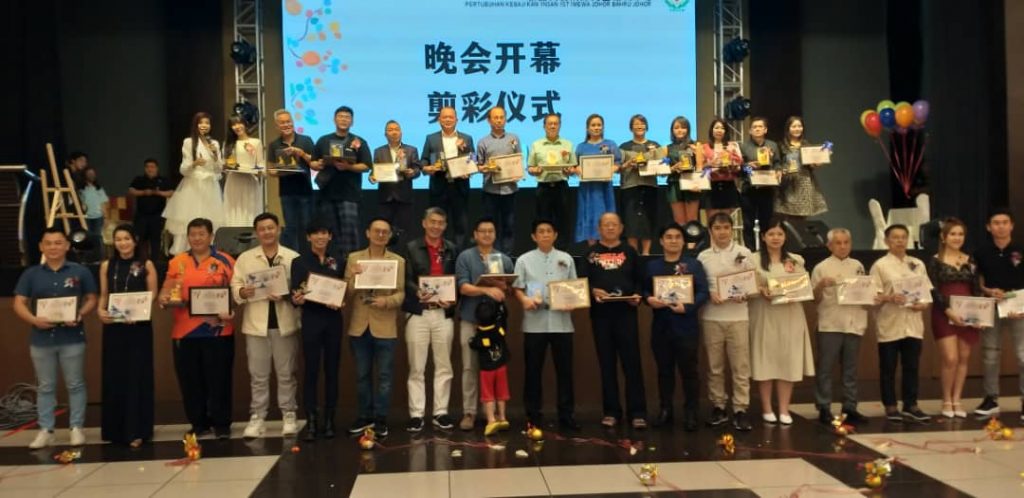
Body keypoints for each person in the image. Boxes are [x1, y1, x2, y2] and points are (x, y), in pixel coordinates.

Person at [13, 227, 98, 449]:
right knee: (45, 386)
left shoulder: (80, 272)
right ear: (41, 246)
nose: (53, 247)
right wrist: (34, 320)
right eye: (48, 243)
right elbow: (19, 303)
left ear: (67, 246)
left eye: (58, 242)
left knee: (75, 384)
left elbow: (92, 298)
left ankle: (76, 428)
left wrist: (80, 314)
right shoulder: (31, 274)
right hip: (41, 340)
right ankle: (46, 430)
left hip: (72, 337)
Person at [158, 218, 236, 439]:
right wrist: (164, 299)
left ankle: (221, 424)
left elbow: (236, 291)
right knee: (190, 381)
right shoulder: (177, 262)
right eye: (193, 234)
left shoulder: (225, 260)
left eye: (202, 234)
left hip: (218, 330)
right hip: (185, 332)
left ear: (211, 236)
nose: (197, 238)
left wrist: (231, 308)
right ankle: (198, 423)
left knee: (219, 379)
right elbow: (166, 291)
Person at [231, 213, 301, 438]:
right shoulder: (246, 258)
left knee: (286, 373)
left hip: (285, 323)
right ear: (256, 233)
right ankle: (257, 416)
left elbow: (301, 288)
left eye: (271, 228)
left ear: (278, 229)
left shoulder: (292, 257)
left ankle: (288, 414)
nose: (267, 232)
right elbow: (236, 285)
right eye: (262, 229)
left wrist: (288, 294)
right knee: (258, 375)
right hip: (256, 325)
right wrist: (243, 292)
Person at [579, 213, 647, 429]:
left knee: (632, 363)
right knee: (606, 364)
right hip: (601, 316)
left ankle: (637, 412)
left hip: (626, 314)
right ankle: (611, 411)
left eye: (614, 224)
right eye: (606, 225)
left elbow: (641, 280)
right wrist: (592, 291)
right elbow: (580, 283)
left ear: (621, 228)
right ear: (599, 228)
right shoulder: (590, 254)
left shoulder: (630, 251)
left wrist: (637, 295)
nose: (610, 228)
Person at [514, 219, 580, 430]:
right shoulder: (524, 260)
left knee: (565, 372)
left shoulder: (566, 259)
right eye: (540, 231)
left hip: (562, 324)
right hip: (534, 324)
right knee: (533, 372)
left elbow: (574, 288)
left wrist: (572, 302)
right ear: (534, 236)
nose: (545, 235)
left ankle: (566, 416)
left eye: (549, 231)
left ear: (555, 235)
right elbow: (518, 288)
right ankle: (533, 416)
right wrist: (524, 300)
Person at [643, 223, 709, 431]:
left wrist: (687, 307)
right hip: (661, 328)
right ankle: (665, 410)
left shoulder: (693, 265)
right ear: (661, 241)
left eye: (677, 237)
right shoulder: (652, 266)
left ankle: (691, 412)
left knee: (690, 372)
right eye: (669, 237)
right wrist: (648, 299)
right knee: (664, 372)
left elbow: (703, 292)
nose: (673, 240)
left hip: (686, 327)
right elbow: (644, 290)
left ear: (683, 241)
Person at [749, 218, 815, 425]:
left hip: (790, 315)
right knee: (766, 360)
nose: (775, 238)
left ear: (785, 237)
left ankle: (785, 409)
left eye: (779, 234)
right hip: (764, 314)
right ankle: (767, 408)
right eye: (771, 234)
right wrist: (761, 290)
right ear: (763, 237)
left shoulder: (796, 260)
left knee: (788, 360)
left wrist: (796, 292)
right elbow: (746, 286)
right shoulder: (752, 259)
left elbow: (804, 286)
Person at [97, 224, 157, 447]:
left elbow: (152, 294)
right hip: (114, 327)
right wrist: (100, 311)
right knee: (115, 375)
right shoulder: (107, 265)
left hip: (138, 327)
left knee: (137, 375)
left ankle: (138, 430)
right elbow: (104, 294)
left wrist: (137, 312)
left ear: (135, 240)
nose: (122, 243)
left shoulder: (146, 264)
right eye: (118, 239)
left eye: (126, 238)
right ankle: (115, 430)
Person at [345, 217, 406, 437]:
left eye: (385, 232)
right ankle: (364, 416)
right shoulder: (354, 258)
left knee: (384, 377)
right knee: (362, 375)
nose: (380, 235)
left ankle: (381, 418)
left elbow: (401, 293)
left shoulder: (397, 261)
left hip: (385, 326)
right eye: (377, 231)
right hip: (359, 325)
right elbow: (346, 292)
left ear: (389, 236)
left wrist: (386, 301)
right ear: (367, 233)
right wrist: (353, 277)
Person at [402, 207, 458, 432]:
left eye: (440, 223)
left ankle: (440, 412)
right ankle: (416, 414)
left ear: (445, 226)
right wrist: (417, 291)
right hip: (418, 312)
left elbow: (456, 279)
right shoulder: (411, 247)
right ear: (424, 223)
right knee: (417, 366)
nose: (436, 226)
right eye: (432, 221)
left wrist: (451, 299)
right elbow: (404, 279)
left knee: (444, 365)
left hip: (443, 313)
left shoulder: (452, 248)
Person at [696, 212, 755, 431]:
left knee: (741, 367)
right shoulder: (703, 256)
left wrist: (745, 293)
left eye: (726, 228)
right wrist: (710, 294)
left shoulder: (744, 253)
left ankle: (740, 409)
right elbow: (700, 286)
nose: (722, 232)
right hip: (711, 317)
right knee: (715, 367)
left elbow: (753, 283)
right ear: (710, 231)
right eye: (717, 228)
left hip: (738, 317)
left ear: (732, 230)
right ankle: (718, 407)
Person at [455, 218, 514, 430]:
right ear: (475, 234)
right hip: (470, 320)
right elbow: (463, 287)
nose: (487, 234)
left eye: (491, 231)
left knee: (496, 368)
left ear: (495, 234)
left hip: (495, 325)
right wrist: (486, 289)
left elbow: (510, 289)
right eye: (483, 231)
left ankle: (495, 413)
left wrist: (503, 287)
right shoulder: (465, 257)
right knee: (469, 367)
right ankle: (469, 412)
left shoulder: (503, 259)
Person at [290, 220, 346, 440]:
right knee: (311, 370)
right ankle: (311, 421)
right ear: (308, 237)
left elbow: (343, 289)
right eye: (316, 233)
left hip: (333, 320)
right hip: (311, 320)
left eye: (324, 233)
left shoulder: (338, 261)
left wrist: (340, 300)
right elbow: (295, 292)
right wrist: (297, 298)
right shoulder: (299, 262)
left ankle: (330, 420)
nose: (320, 237)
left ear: (330, 236)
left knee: (332, 371)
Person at [870, 224, 932, 422]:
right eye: (895, 237)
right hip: (890, 323)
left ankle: (911, 404)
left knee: (911, 367)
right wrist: (890, 298)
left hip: (913, 324)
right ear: (887, 241)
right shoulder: (880, 265)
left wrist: (922, 305)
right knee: (888, 367)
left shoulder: (917, 264)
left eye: (903, 237)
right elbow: (873, 296)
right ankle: (890, 406)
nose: (900, 241)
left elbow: (926, 295)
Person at [810, 228, 870, 425]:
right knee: (825, 368)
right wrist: (820, 285)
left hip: (853, 322)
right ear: (829, 246)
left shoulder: (858, 265)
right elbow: (814, 299)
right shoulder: (821, 268)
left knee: (851, 368)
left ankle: (850, 406)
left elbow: (865, 292)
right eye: (838, 243)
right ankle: (824, 406)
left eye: (846, 242)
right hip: (830, 323)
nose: (843, 246)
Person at [926, 218, 982, 419]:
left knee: (964, 358)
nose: (957, 238)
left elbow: (976, 289)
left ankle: (957, 399)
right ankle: (946, 400)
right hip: (943, 312)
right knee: (950, 358)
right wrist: (948, 311)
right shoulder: (935, 260)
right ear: (943, 237)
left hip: (967, 313)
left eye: (960, 234)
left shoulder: (970, 260)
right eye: (953, 234)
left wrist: (979, 315)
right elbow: (932, 289)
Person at [973, 208, 1024, 417]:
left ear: (1011, 225)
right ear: (988, 227)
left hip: (1019, 307)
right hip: (992, 306)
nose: (1001, 226)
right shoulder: (981, 252)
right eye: (996, 223)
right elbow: (976, 281)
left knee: (1023, 355)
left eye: (1004, 222)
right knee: (990, 354)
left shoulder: (1021, 249)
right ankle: (991, 398)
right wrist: (987, 291)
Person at [312, 105, 371, 254]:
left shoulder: (359, 141)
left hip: (350, 194)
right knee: (328, 233)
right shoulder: (324, 140)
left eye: (347, 117)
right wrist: (320, 164)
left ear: (352, 121)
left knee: (349, 234)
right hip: (327, 194)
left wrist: (348, 167)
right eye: (340, 116)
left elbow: (366, 166)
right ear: (334, 119)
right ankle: (330, 263)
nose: (344, 120)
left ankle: (349, 263)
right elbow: (313, 162)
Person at [163, 112, 224, 255]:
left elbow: (219, 169)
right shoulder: (189, 142)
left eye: (207, 123)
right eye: (201, 122)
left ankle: (209, 254)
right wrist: (195, 163)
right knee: (189, 219)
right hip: (194, 186)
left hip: (210, 187)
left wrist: (216, 155)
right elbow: (183, 169)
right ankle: (184, 255)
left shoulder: (214, 144)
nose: (204, 125)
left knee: (211, 221)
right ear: (196, 125)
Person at [422, 107, 474, 248]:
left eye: (451, 117)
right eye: (444, 117)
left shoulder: (466, 138)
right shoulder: (431, 139)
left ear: (456, 119)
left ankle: (459, 257)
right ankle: (438, 255)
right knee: (437, 225)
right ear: (439, 119)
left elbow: (473, 159)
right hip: (439, 187)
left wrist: (469, 171)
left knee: (460, 226)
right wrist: (428, 168)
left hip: (460, 187)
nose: (448, 120)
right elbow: (424, 160)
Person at [267, 109, 316, 252]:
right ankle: (293, 258)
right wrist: (281, 171)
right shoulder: (274, 145)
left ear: (293, 123)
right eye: (282, 123)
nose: (286, 125)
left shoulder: (305, 140)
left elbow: (315, 163)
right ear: (277, 126)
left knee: (307, 226)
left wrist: (301, 153)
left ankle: (308, 256)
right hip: (286, 192)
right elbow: (271, 170)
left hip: (305, 190)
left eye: (288, 121)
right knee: (290, 227)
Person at [476, 107, 521, 254]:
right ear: (489, 120)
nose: (499, 120)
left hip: (510, 190)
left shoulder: (514, 139)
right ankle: (492, 256)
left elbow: (518, 160)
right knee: (490, 227)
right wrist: (485, 168)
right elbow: (478, 165)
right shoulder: (482, 142)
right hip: (490, 191)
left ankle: (507, 257)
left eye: (502, 117)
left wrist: (518, 173)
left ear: (506, 119)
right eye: (495, 117)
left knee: (509, 226)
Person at [527, 113, 576, 245]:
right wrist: (535, 171)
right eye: (550, 124)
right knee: (543, 223)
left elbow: (573, 168)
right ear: (544, 126)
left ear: (560, 126)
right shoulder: (536, 145)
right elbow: (530, 168)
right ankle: (543, 250)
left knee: (563, 222)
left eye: (556, 123)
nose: (553, 126)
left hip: (561, 187)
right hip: (543, 188)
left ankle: (562, 252)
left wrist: (570, 170)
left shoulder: (568, 144)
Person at [371, 120, 420, 247]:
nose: (394, 132)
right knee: (384, 230)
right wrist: (372, 178)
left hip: (405, 196)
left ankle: (404, 256)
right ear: (385, 134)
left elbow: (417, 169)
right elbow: (374, 171)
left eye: (397, 129)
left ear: (401, 133)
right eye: (390, 130)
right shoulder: (379, 151)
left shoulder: (411, 150)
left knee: (405, 232)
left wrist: (412, 172)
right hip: (385, 197)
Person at [574, 114, 620, 245]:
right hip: (587, 190)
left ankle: (608, 249)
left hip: (604, 188)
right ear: (587, 128)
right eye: (593, 125)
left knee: (607, 216)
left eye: (599, 125)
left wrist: (611, 169)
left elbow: (618, 163)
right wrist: (577, 169)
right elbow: (574, 165)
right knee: (589, 217)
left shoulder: (610, 144)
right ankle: (592, 251)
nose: (596, 128)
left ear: (603, 127)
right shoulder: (581, 147)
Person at [619, 115, 661, 255]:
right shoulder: (624, 147)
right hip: (630, 187)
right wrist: (628, 164)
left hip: (649, 187)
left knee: (648, 222)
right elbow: (618, 168)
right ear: (631, 127)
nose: (639, 126)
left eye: (642, 123)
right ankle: (634, 254)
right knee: (631, 224)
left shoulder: (655, 146)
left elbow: (662, 167)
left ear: (646, 127)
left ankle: (646, 254)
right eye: (636, 124)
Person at [469, 300, 511, 436]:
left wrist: (472, 340)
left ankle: (491, 420)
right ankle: (503, 418)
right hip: (501, 366)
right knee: (501, 393)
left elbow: (473, 344)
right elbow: (504, 319)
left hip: (487, 369)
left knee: (488, 395)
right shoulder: (499, 330)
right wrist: (502, 306)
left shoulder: (480, 336)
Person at [739, 117, 782, 248]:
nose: (757, 129)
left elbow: (777, 163)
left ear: (765, 130)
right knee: (748, 224)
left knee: (766, 223)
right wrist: (749, 167)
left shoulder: (773, 145)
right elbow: (740, 168)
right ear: (750, 130)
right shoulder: (743, 146)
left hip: (767, 189)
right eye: (754, 127)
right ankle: (750, 252)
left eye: (760, 127)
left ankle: (765, 251)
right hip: (749, 189)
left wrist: (778, 171)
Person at [775, 116, 828, 219]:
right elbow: (776, 164)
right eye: (794, 126)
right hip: (788, 184)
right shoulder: (781, 145)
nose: (797, 129)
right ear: (788, 128)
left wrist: (818, 162)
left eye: (799, 126)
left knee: (802, 217)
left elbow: (811, 165)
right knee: (787, 217)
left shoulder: (806, 144)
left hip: (804, 183)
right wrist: (781, 170)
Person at [223, 114, 265, 227]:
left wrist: (260, 172)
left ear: (245, 124)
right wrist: (225, 166)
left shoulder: (255, 142)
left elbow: (260, 163)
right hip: (233, 182)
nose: (237, 127)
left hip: (249, 181)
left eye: (239, 123)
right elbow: (224, 164)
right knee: (234, 210)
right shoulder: (228, 144)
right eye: (233, 125)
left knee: (250, 210)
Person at [128, 158, 174, 261]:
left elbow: (171, 193)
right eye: (147, 167)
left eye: (152, 167)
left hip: (157, 216)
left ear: (157, 168)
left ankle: (155, 263)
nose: (150, 169)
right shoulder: (139, 179)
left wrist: (159, 193)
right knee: (140, 240)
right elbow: (131, 191)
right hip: (141, 215)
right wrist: (144, 192)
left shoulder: (163, 180)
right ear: (145, 168)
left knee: (155, 241)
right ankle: (141, 261)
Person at [701, 118, 743, 222]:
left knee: (726, 222)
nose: (719, 130)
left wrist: (732, 164)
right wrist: (711, 164)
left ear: (726, 131)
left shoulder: (732, 146)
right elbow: (700, 168)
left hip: (728, 186)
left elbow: (740, 166)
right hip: (711, 186)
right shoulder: (704, 147)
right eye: (716, 128)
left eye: (722, 128)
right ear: (712, 130)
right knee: (712, 222)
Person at [665, 116, 704, 226]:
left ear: (688, 129)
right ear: (672, 130)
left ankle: (691, 238)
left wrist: (698, 183)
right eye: (676, 128)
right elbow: (663, 172)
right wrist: (674, 168)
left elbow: (700, 166)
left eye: (683, 127)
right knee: (679, 221)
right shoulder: (667, 148)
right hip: (674, 184)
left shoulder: (696, 145)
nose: (680, 130)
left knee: (692, 220)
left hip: (691, 183)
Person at [78, 166, 108, 262]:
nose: (91, 175)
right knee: (87, 237)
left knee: (97, 237)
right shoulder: (81, 190)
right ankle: (87, 259)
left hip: (98, 217)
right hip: (86, 217)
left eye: (93, 173)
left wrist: (105, 217)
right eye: (89, 173)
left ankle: (98, 258)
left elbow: (103, 204)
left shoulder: (99, 189)